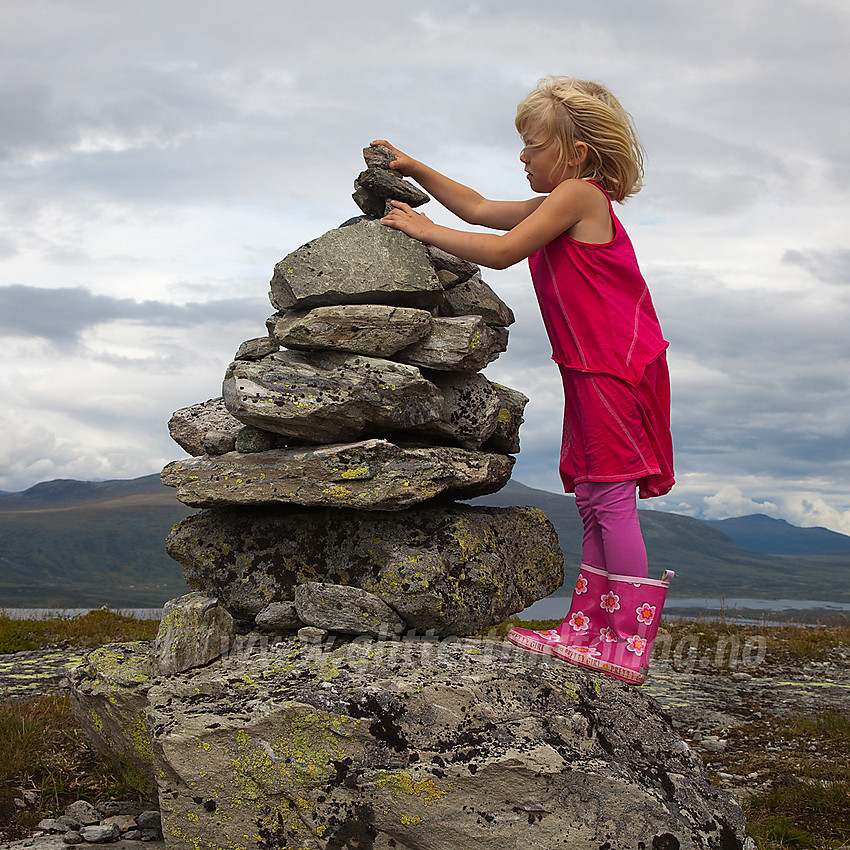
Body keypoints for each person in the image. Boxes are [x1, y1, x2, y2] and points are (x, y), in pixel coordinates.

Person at [373, 75, 674, 685]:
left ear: (575, 153)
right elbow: (480, 208)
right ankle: (586, 628)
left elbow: (503, 249)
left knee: (611, 496)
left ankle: (626, 645)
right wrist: (415, 168)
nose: (523, 156)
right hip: (590, 368)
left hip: (613, 367)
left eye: (533, 145)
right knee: (593, 495)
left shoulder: (579, 196)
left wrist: (421, 229)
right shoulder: (562, 201)